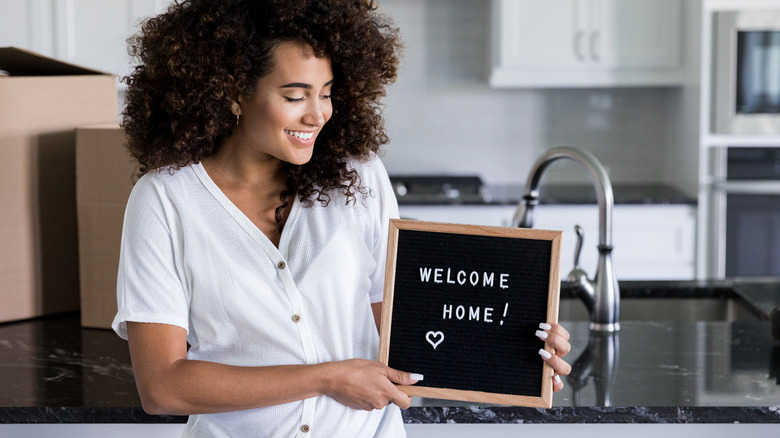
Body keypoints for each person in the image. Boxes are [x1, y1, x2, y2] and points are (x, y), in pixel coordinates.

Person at [112, 0, 572, 436]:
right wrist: (327, 378)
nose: (318, 114)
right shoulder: (164, 200)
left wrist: (517, 356)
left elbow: (406, 335)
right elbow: (163, 386)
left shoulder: (359, 176)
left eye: (327, 93)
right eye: (295, 95)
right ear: (233, 90)